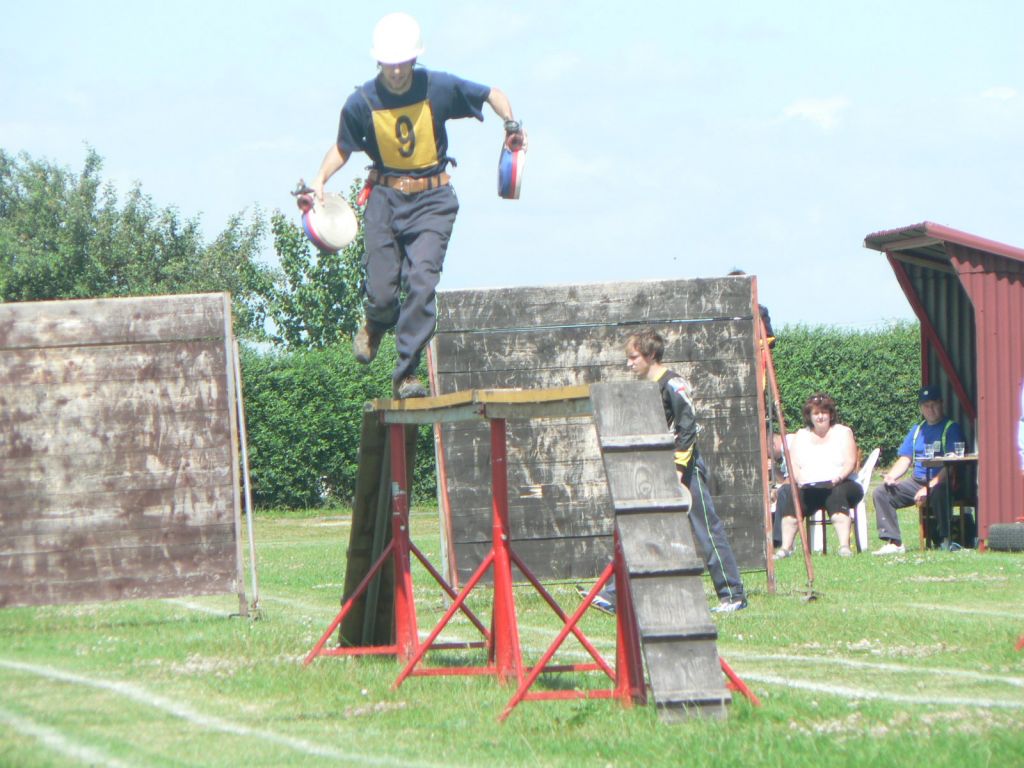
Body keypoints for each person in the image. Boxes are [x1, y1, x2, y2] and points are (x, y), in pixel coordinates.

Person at [310, 12, 526, 399]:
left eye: (402, 64)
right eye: (389, 65)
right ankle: (376, 322)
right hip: (385, 198)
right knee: (382, 291)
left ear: (414, 60)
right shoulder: (361, 102)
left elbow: (491, 92)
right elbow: (343, 147)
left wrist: (511, 124)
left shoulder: (437, 86)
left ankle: (406, 374)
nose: (396, 72)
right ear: (380, 63)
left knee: (422, 281)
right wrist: (320, 180)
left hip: (433, 200)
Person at [581, 329, 748, 614]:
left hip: (685, 467)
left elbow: (687, 428)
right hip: (654, 466)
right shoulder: (643, 386)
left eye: (633, 357)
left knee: (706, 528)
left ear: (651, 355)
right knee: (641, 528)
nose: (629, 364)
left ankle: (733, 594)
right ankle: (612, 594)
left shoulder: (674, 384)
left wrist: (680, 470)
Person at [872, 385, 966, 554]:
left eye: (933, 404)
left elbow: (951, 466)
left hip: (941, 482)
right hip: (917, 481)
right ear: (921, 408)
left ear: (941, 404)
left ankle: (946, 540)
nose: (930, 409)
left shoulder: (950, 428)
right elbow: (905, 458)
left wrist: (928, 488)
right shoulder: (917, 430)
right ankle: (894, 542)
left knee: (938, 492)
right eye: (926, 405)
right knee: (881, 492)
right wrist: (891, 476)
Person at [773, 393, 862, 558]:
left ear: (830, 414)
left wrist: (839, 478)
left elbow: (850, 462)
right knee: (793, 495)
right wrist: (799, 480)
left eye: (824, 413)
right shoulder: (801, 435)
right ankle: (785, 548)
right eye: (816, 413)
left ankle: (844, 546)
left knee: (837, 494)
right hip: (810, 486)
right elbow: (794, 465)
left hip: (841, 483)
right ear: (809, 416)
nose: (820, 417)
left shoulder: (843, 432)